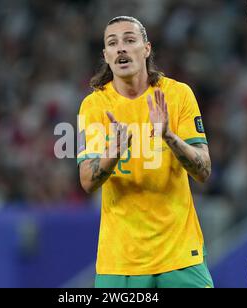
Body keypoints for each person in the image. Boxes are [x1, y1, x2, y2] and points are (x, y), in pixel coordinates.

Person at [77, 16, 214, 288]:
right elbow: (87, 181)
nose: (121, 49)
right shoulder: (93, 106)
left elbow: (204, 171)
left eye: (129, 40)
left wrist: (169, 136)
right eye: (113, 43)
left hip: (179, 255)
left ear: (146, 48)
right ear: (106, 55)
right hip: (120, 263)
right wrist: (114, 151)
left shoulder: (177, 95)